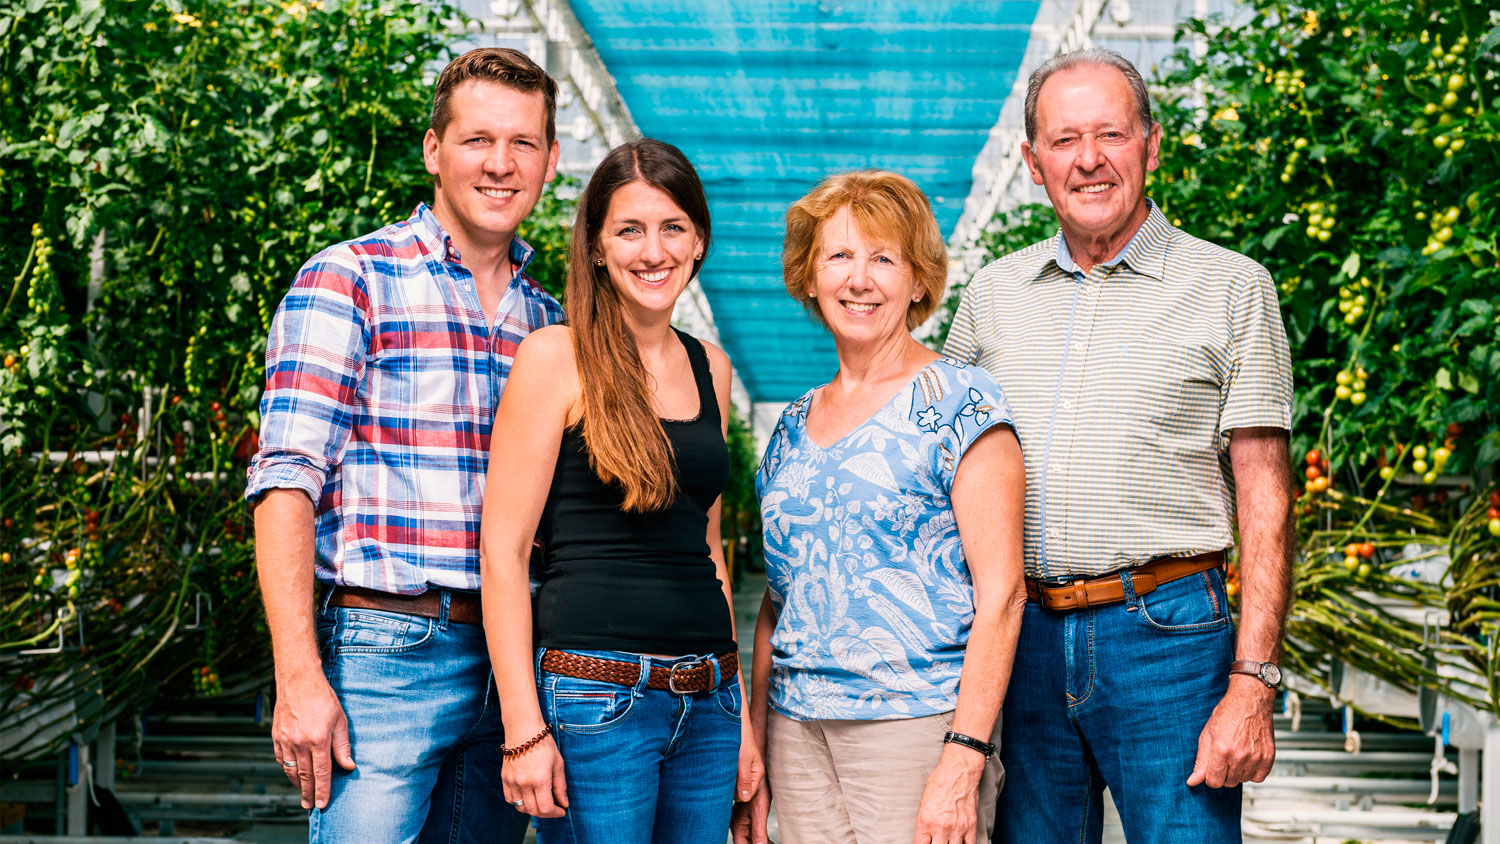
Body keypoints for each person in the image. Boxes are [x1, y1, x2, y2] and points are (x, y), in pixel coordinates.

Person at [943, 48, 1295, 843]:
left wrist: (1254, 682)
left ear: (1151, 145)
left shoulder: (1232, 286)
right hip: (1023, 641)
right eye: (1065, 140)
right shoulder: (992, 295)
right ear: (1033, 163)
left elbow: (1265, 495)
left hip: (1169, 638)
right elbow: (944, 475)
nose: (1089, 159)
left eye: (1111, 133)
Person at [245, 48, 563, 844]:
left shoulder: (550, 323)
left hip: (513, 667)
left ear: (552, 161)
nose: (501, 164)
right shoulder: (352, 278)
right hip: (385, 651)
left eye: (523, 143)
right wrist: (298, 675)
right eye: (477, 139)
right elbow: (286, 480)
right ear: (433, 149)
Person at [737, 170, 1027, 844]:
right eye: (838, 255)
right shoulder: (791, 426)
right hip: (796, 732)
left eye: (883, 258)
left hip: (915, 727)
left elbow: (1003, 596)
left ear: (918, 281)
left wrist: (964, 756)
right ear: (810, 278)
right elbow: (777, 605)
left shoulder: (961, 403)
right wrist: (757, 738)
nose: (859, 279)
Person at [478, 138, 754, 844]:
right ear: (598, 248)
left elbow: (710, 552)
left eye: (672, 228)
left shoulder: (711, 366)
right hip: (595, 697)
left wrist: (743, 719)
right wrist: (522, 728)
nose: (653, 251)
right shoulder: (555, 358)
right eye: (629, 230)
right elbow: (503, 553)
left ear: (698, 240)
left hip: (711, 699)